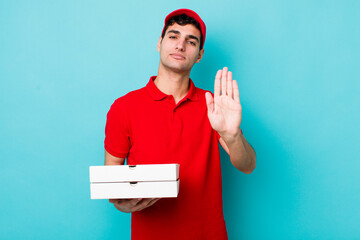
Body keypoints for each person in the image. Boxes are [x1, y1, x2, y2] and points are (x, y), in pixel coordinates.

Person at [104, 8, 256, 240]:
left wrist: (232, 135)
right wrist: (122, 205)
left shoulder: (213, 104)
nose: (180, 45)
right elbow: (111, 180)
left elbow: (247, 165)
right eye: (173, 36)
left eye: (190, 41)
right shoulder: (124, 107)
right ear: (160, 43)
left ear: (200, 55)